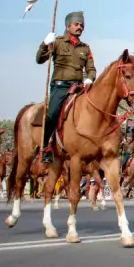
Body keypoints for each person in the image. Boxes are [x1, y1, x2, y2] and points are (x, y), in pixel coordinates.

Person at [36, 11, 97, 164]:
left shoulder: (86, 48)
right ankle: (45, 146)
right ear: (68, 26)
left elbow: (91, 68)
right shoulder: (57, 42)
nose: (79, 27)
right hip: (61, 87)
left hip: (79, 87)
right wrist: (45, 44)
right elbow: (40, 59)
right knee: (52, 114)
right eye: (76, 24)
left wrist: (90, 78)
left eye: (82, 25)